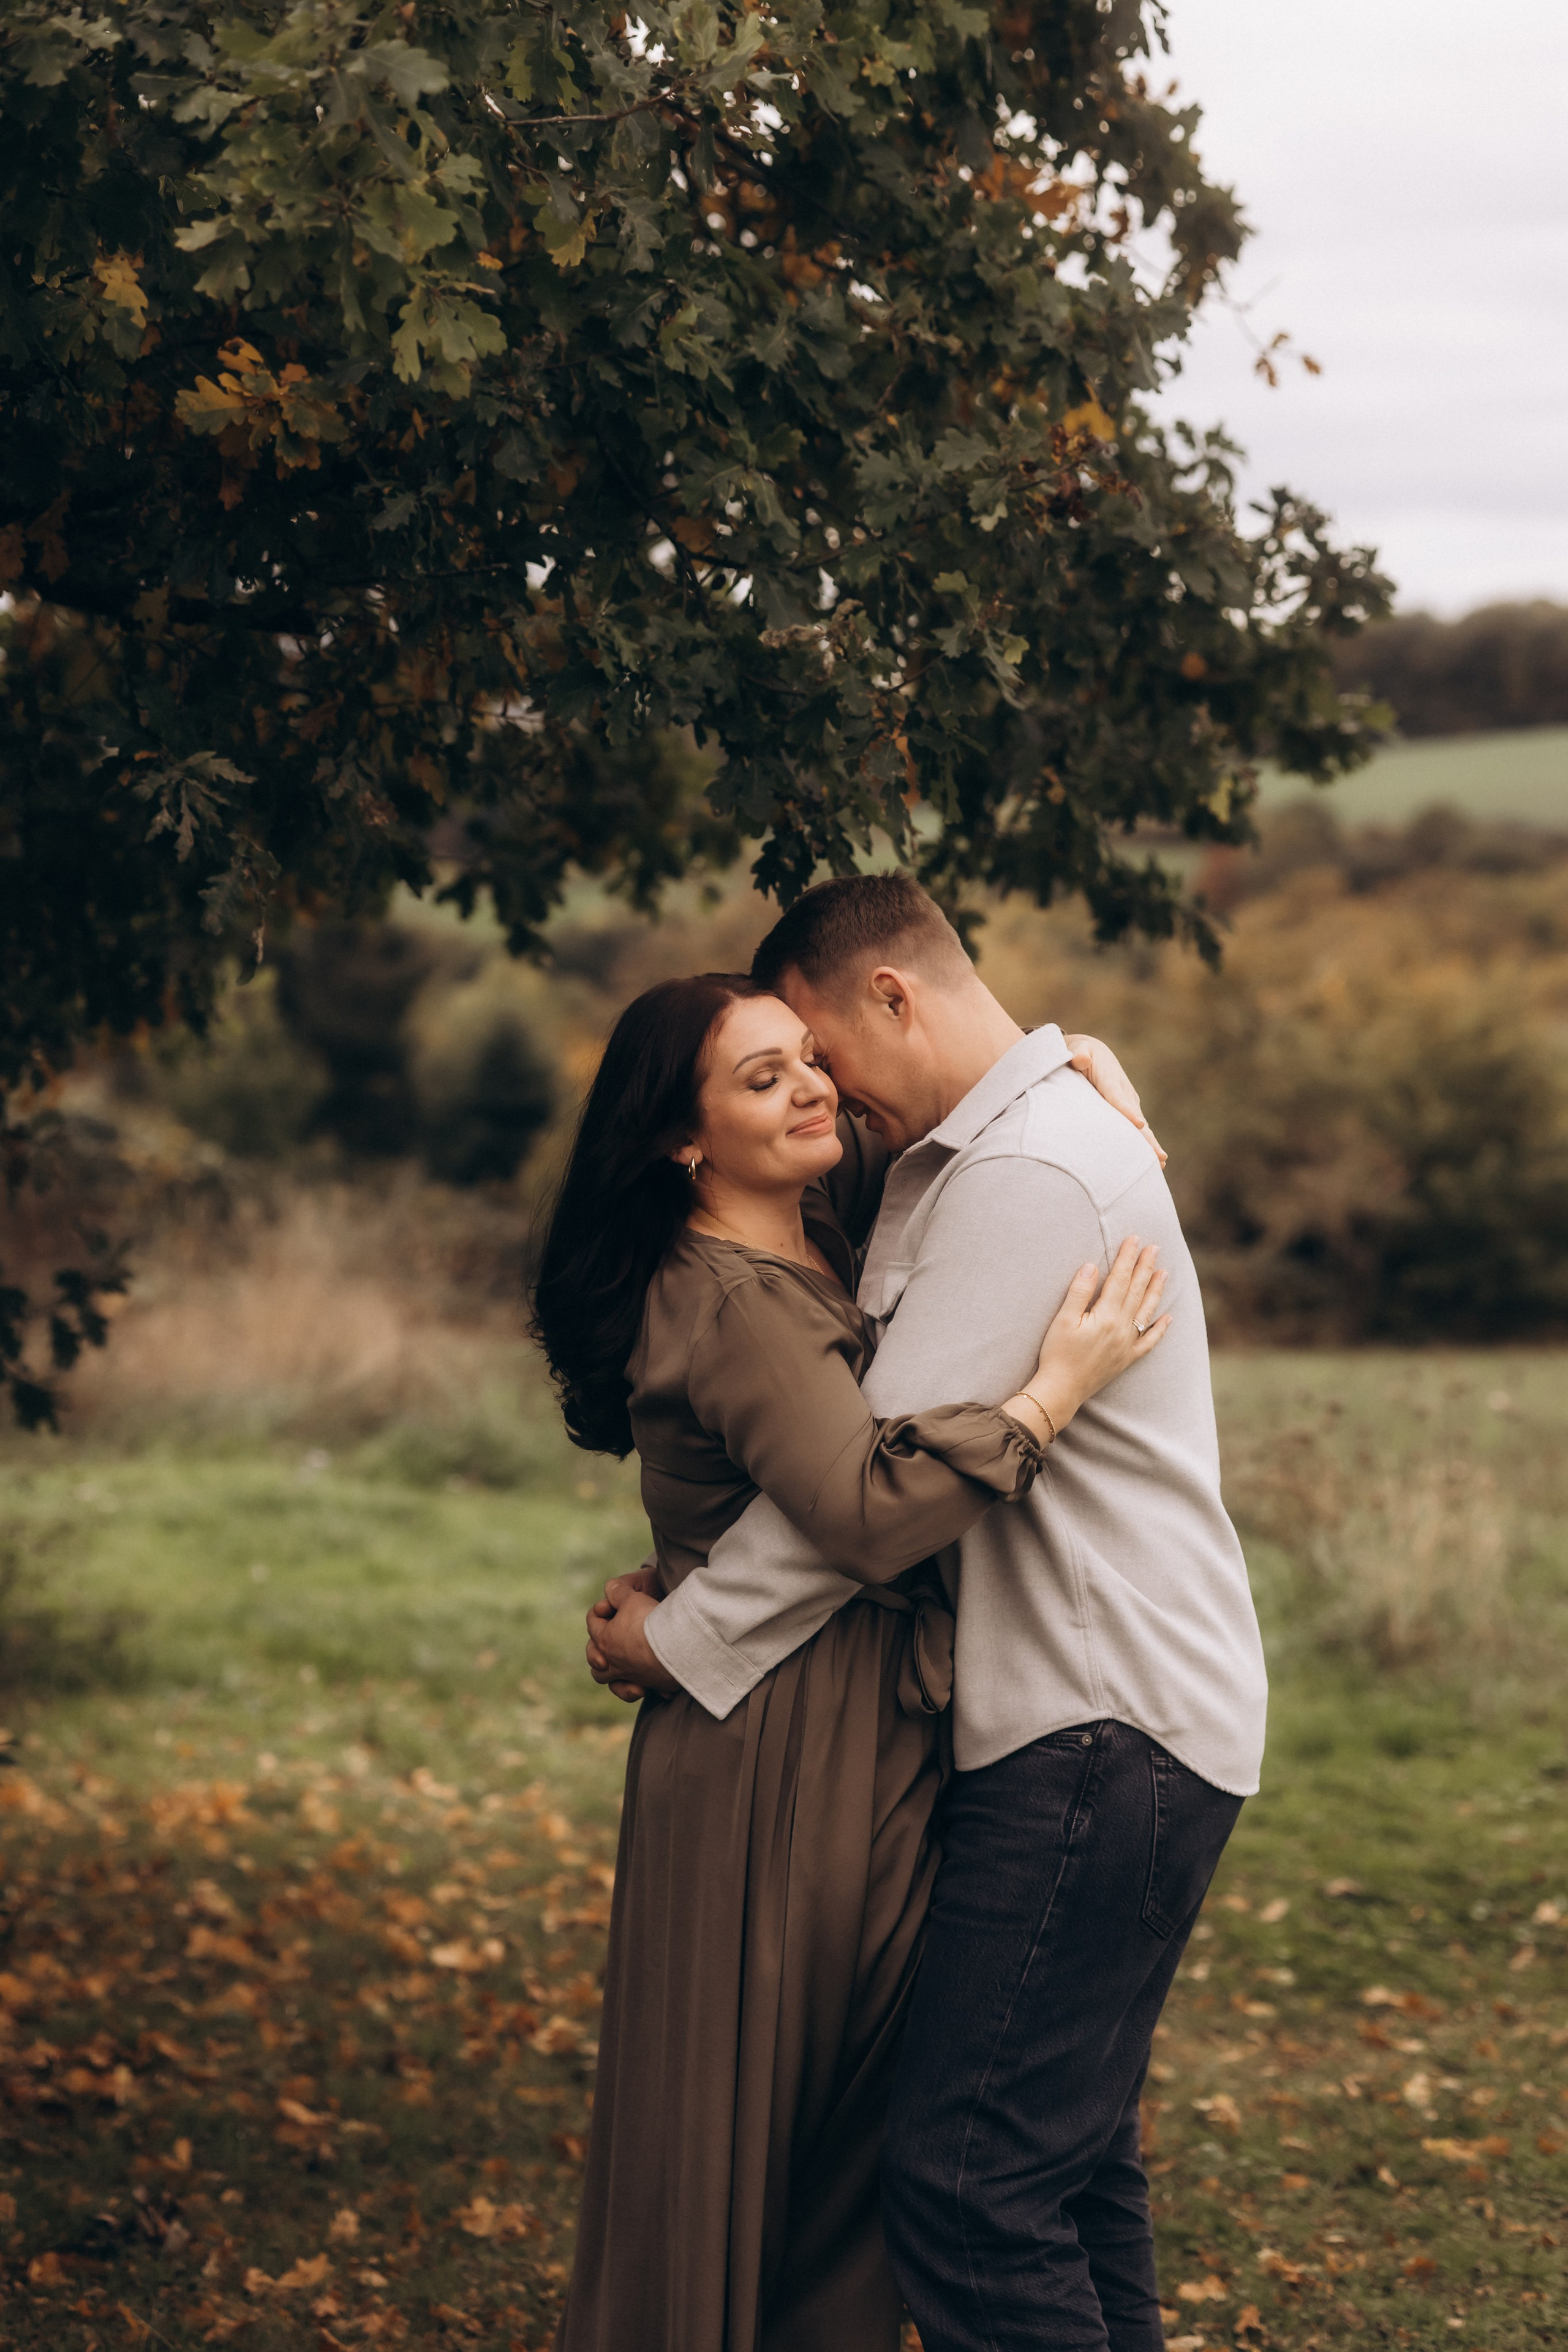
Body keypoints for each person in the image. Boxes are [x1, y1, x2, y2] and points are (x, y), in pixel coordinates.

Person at [588, 875, 1269, 2352]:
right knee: (1066, 2169)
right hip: (1091, 1711)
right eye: (777, 1075)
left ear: (891, 999)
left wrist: (676, 1637)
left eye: (821, 1054)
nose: (823, 1092)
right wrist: (1070, 1051)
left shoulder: (1025, 1175)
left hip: (1095, 1713)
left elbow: (867, 1501)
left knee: (968, 2190)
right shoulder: (960, 1159)